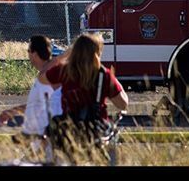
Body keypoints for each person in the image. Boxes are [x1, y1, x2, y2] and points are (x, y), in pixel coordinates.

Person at [39, 32, 129, 161]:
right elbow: (123, 104)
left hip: (69, 128)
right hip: (96, 130)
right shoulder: (104, 75)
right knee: (113, 139)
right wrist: (112, 77)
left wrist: (63, 57)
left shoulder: (64, 71)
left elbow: (42, 78)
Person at [0, 35, 62, 157]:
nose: (27, 54)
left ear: (34, 54)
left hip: (44, 141)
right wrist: (12, 111)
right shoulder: (44, 77)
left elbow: (55, 106)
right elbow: (38, 104)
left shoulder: (49, 76)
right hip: (36, 141)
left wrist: (44, 139)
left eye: (28, 51)